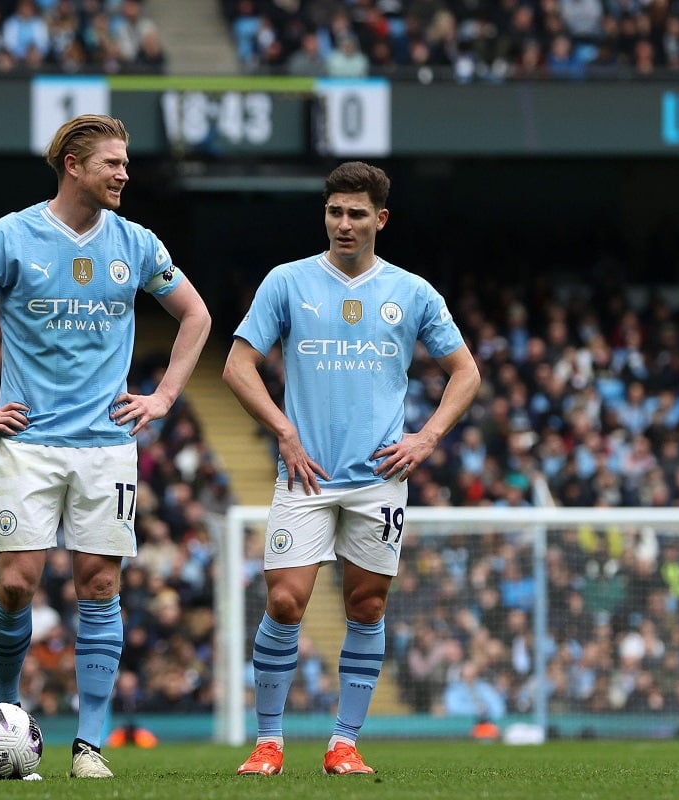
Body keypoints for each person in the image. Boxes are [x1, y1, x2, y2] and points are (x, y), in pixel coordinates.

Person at [0, 114, 211, 778]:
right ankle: (8, 714)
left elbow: (196, 315)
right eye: (112, 163)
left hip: (108, 444)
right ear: (74, 166)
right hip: (29, 442)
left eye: (126, 164)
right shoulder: (11, 236)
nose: (124, 174)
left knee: (100, 585)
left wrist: (164, 396)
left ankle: (89, 747)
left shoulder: (136, 243)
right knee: (19, 586)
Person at [223, 161, 481, 776]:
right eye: (335, 211)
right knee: (286, 601)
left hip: (379, 480)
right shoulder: (286, 282)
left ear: (380, 219)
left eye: (357, 213)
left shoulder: (413, 293)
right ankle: (269, 743)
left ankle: (344, 743)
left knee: (367, 607)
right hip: (306, 478)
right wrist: (283, 430)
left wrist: (427, 437)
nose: (344, 223)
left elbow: (466, 372)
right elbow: (237, 366)